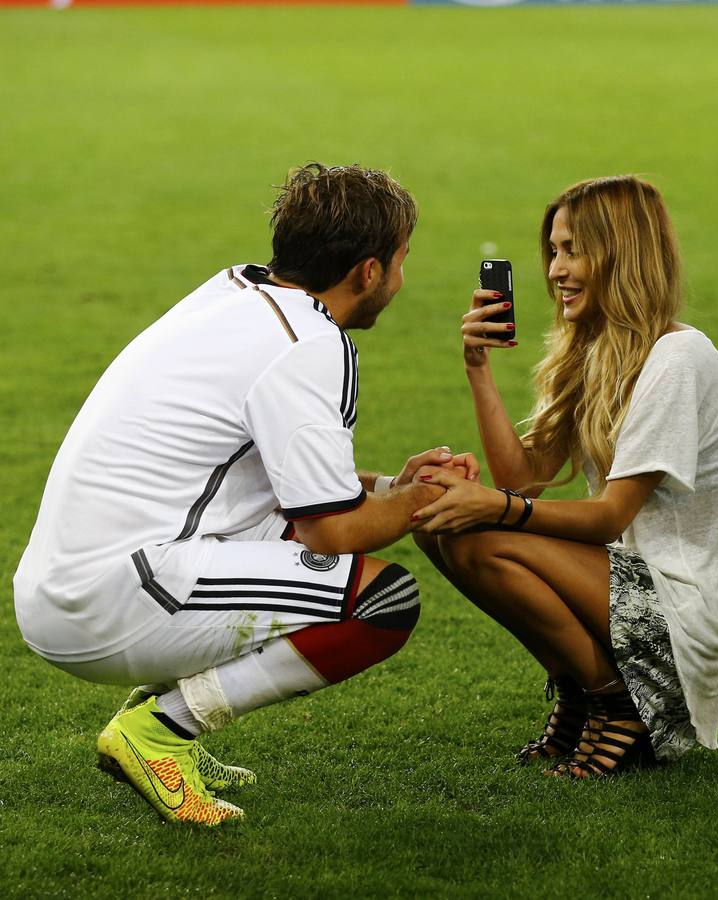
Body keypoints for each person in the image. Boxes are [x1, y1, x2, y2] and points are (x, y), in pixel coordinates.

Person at [13, 163, 474, 825]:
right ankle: (161, 730)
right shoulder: (308, 344)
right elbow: (333, 532)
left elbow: (286, 486)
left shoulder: (235, 291)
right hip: (111, 595)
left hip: (79, 578)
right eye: (401, 260)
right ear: (368, 272)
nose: (401, 278)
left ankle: (156, 720)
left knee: (291, 544)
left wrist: (390, 487)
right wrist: (420, 501)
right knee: (381, 599)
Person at [411, 176, 718, 778]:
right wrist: (478, 370)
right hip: (627, 589)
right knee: (440, 522)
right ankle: (581, 692)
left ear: (623, 254)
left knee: (480, 527)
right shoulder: (599, 348)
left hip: (678, 616)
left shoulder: (678, 358)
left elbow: (609, 516)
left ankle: (618, 702)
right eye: (553, 251)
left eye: (574, 250)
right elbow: (524, 477)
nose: (555, 270)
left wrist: (492, 506)